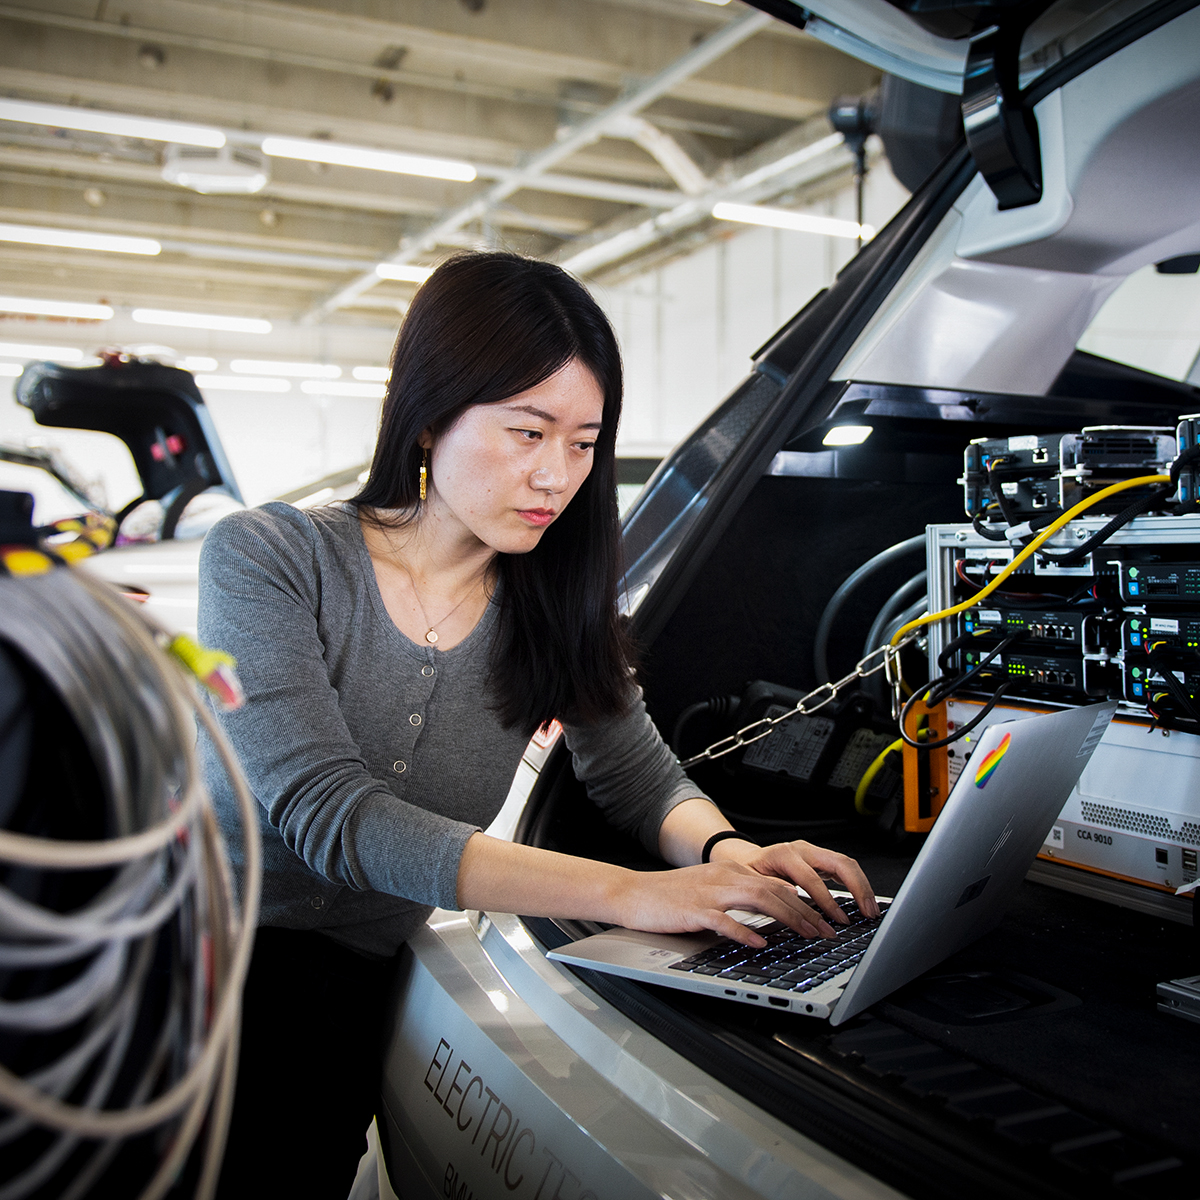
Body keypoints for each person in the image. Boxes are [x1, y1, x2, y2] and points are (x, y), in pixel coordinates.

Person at [199, 251, 879, 1197]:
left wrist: (724, 853)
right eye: (528, 431)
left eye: (583, 441)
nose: (556, 474)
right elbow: (328, 813)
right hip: (190, 964)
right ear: (431, 417)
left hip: (344, 984)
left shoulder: (552, 605)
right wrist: (636, 896)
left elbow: (637, 776)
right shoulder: (268, 557)